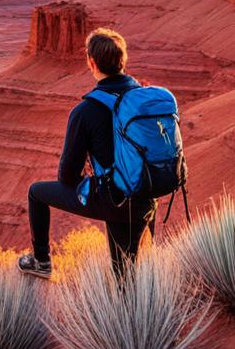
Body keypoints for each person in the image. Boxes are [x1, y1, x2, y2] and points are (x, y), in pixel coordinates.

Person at [18, 28, 157, 280]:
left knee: (36, 193)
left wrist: (89, 178)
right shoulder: (145, 99)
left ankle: (41, 261)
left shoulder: (85, 111)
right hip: (148, 195)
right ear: (123, 61)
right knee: (127, 273)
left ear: (91, 63)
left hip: (113, 200)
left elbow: (67, 177)